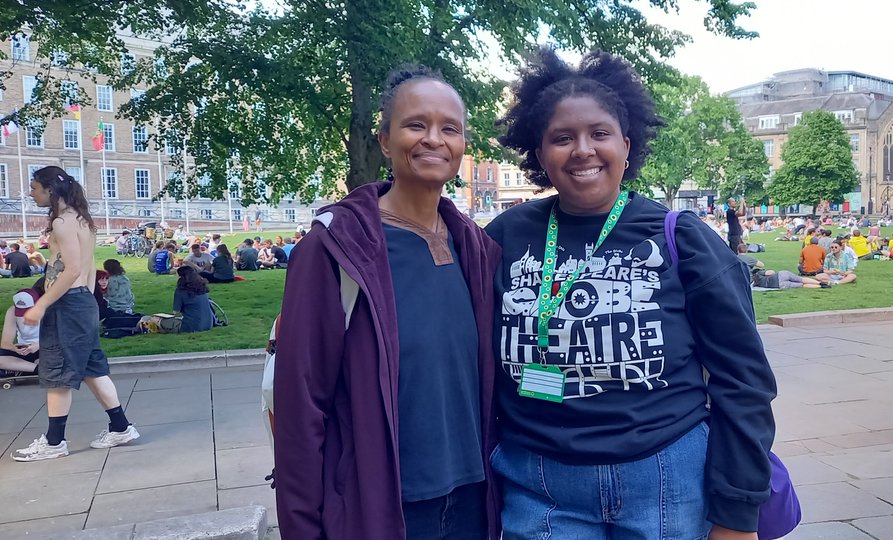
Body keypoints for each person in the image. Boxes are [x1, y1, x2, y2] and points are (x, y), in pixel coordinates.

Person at [487, 48, 777, 539]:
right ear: (540, 155)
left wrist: (736, 512)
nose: (582, 150)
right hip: (542, 487)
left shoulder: (680, 237)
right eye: (562, 138)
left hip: (667, 480)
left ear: (625, 143)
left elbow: (743, 380)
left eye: (599, 134)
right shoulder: (502, 239)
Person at [273, 65, 501, 540]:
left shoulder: (476, 248)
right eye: (416, 124)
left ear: (463, 146)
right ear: (384, 139)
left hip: (473, 501)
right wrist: (301, 525)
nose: (433, 139)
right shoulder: (335, 249)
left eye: (450, 129)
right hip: (382, 506)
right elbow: (300, 402)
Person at [12, 166, 138, 462]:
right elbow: (88, 269)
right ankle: (121, 427)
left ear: (50, 190)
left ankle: (54, 442)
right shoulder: (83, 221)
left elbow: (71, 270)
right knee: (93, 367)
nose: (31, 193)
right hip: (81, 302)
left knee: (56, 370)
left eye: (34, 188)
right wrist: (89, 300)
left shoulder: (62, 223)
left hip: (67, 303)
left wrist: (41, 305)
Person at [0, 285, 43, 376]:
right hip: (24, 350)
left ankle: (22, 369)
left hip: (45, 347)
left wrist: (39, 345)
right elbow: (5, 343)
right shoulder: (12, 312)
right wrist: (15, 348)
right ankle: (38, 369)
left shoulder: (47, 310)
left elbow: (59, 339)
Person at [170, 266, 213, 333]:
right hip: (208, 324)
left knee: (158, 320)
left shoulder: (180, 291)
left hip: (191, 326)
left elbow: (176, 312)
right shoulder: (202, 287)